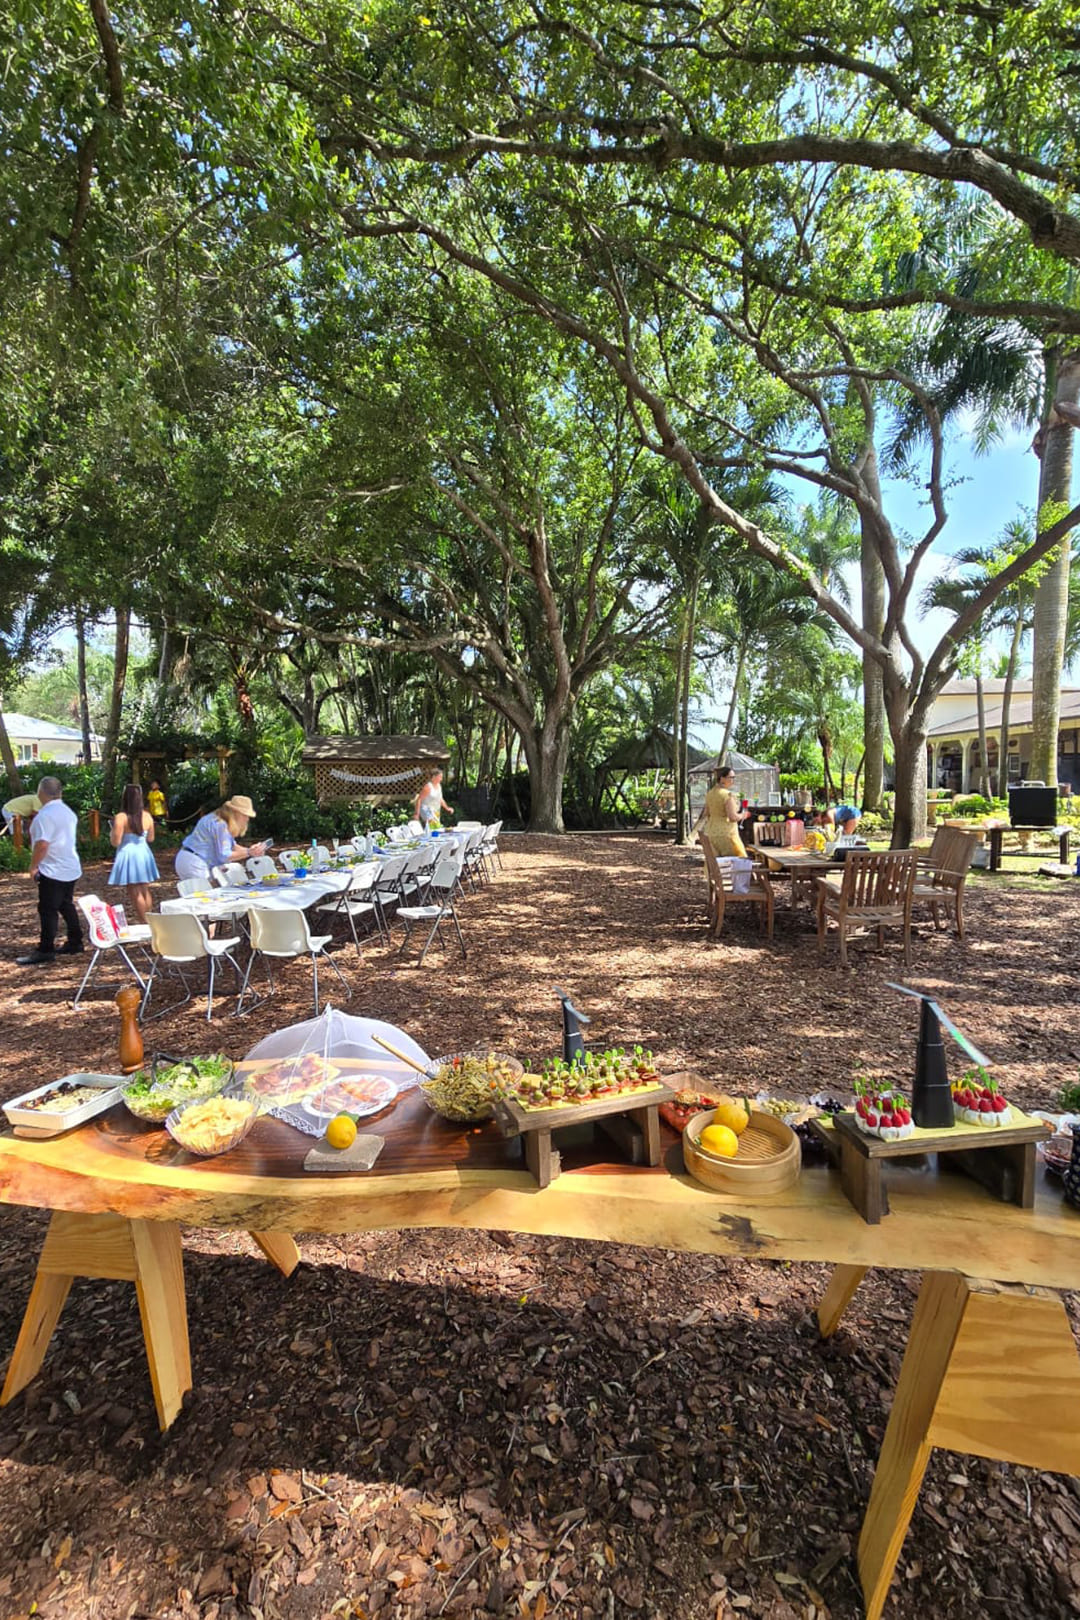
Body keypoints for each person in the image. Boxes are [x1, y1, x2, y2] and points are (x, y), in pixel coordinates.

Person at [17, 777, 83, 965]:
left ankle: (46, 949)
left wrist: (33, 866)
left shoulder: (44, 816)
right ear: (60, 792)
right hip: (70, 865)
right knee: (66, 904)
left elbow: (42, 845)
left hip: (53, 868)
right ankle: (75, 941)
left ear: (40, 793)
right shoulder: (68, 812)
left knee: (47, 909)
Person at [175, 794, 269, 885]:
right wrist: (249, 852)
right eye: (245, 815)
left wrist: (252, 850)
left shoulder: (218, 819)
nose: (247, 819)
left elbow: (232, 846)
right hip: (195, 863)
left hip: (189, 859)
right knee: (205, 894)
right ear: (235, 813)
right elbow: (224, 855)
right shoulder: (221, 825)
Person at [108, 783, 160, 924]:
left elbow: (116, 842)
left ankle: (145, 923)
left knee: (135, 892)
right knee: (145, 889)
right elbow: (151, 838)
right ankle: (151, 921)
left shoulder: (121, 817)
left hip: (129, 854)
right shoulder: (147, 816)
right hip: (143, 852)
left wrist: (112, 832)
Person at [694, 765, 749, 858]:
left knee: (716, 862)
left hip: (711, 833)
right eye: (730, 777)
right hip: (727, 834)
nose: (732, 780)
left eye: (733, 777)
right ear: (722, 778)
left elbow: (706, 813)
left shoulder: (710, 793)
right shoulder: (727, 795)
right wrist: (744, 815)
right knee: (737, 860)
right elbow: (732, 817)